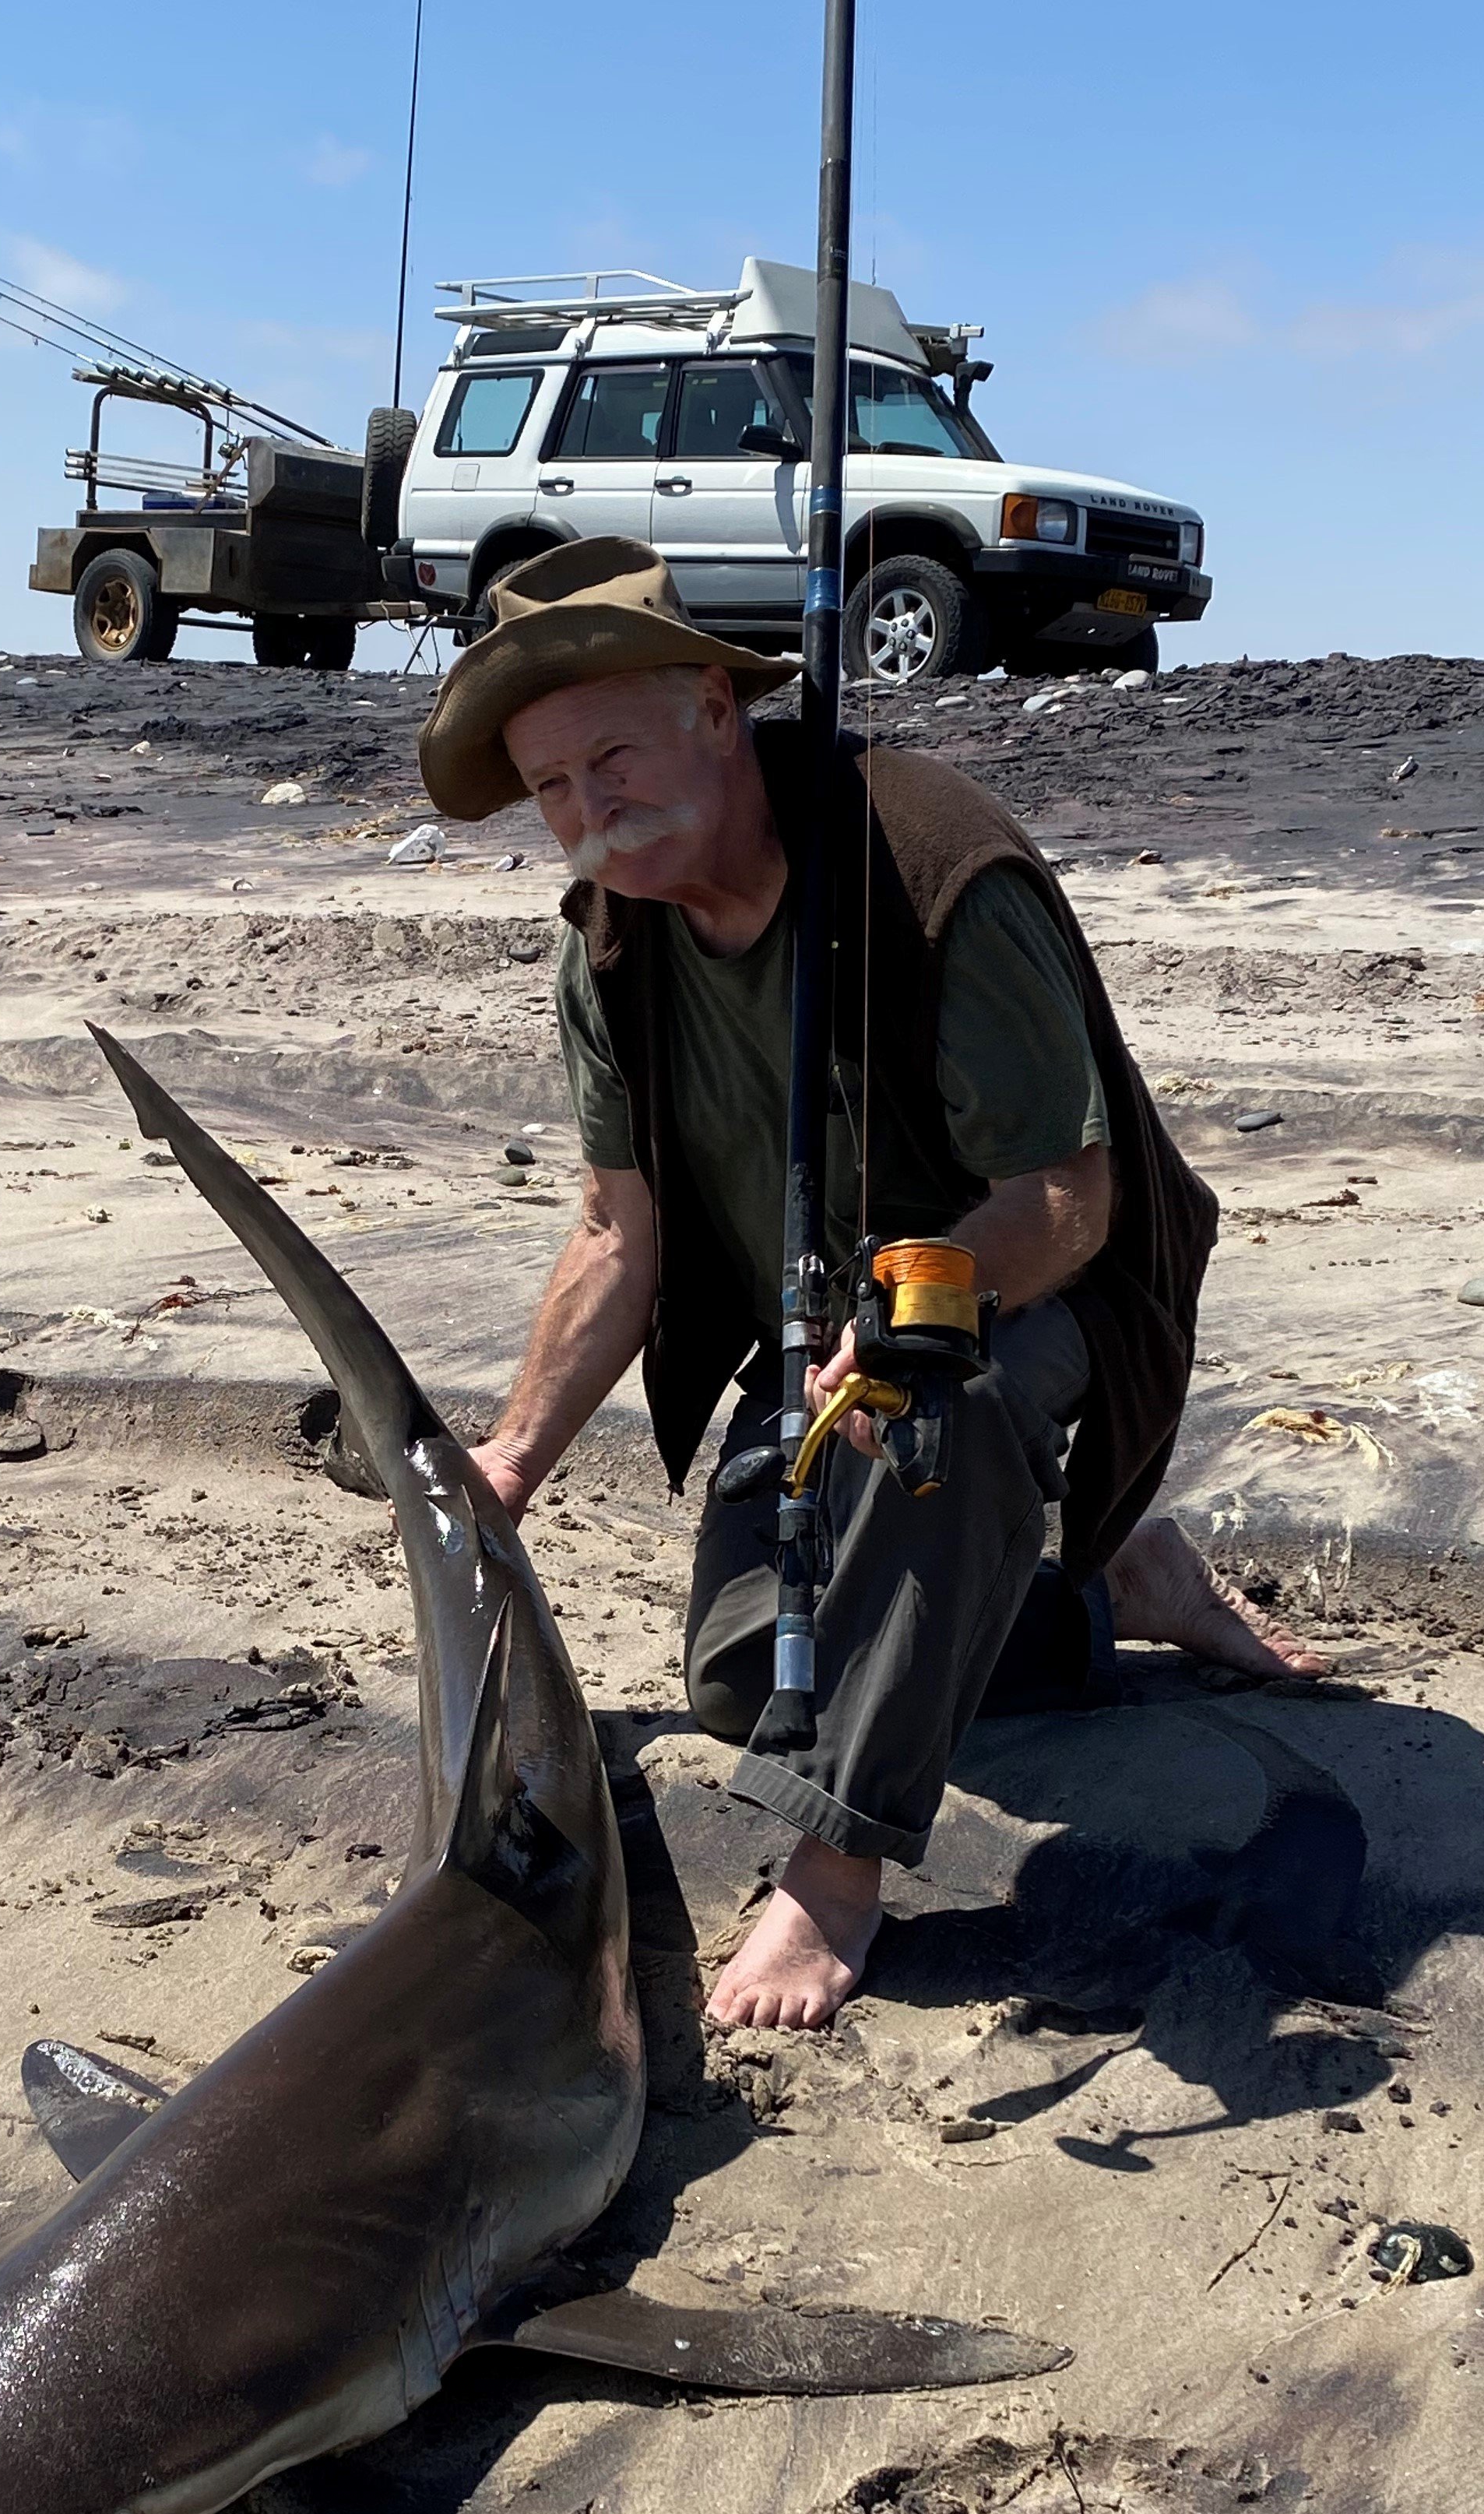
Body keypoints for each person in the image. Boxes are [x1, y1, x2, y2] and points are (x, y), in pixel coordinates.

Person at [417, 537, 1322, 2032]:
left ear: (717, 708)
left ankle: (836, 1875)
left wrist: (924, 1303)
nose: (590, 812)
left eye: (614, 755)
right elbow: (616, 1237)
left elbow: (1072, 1200)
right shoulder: (612, 951)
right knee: (741, 1683)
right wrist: (509, 1459)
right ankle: (1110, 1591)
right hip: (815, 1332)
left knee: (937, 1413)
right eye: (554, 788)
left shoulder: (928, 860)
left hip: (1035, 1290)